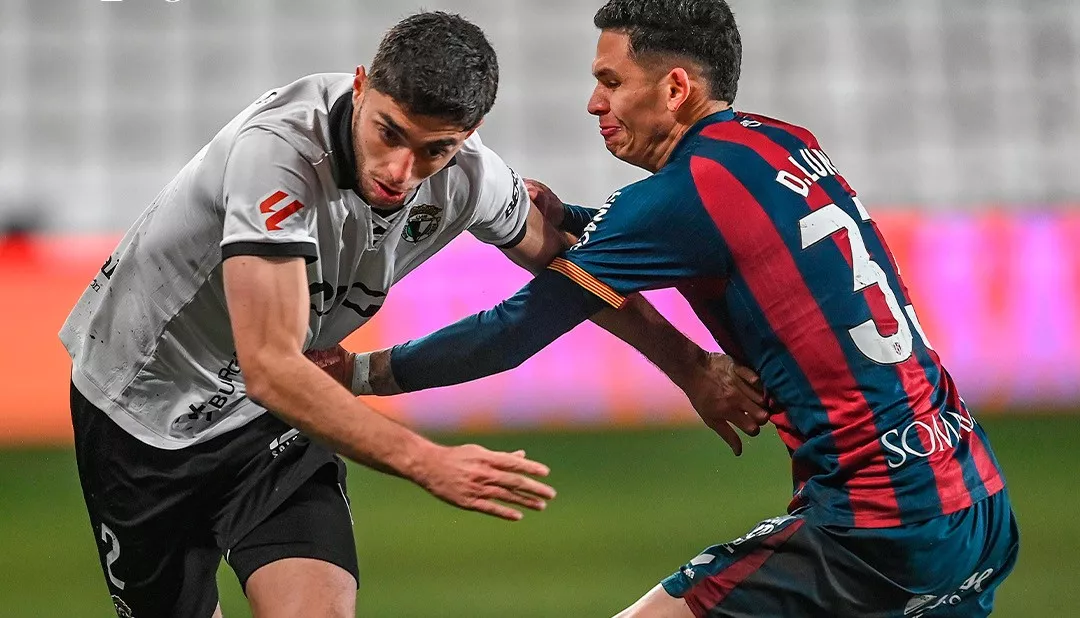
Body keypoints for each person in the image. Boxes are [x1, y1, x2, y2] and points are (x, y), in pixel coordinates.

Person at [59, 11, 766, 618]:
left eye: (435, 149)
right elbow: (269, 365)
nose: (401, 171)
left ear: (470, 133)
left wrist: (690, 366)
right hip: (144, 422)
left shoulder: (469, 176)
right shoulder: (278, 156)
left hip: (275, 422)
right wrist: (428, 462)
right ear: (362, 86)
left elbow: (573, 268)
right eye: (389, 133)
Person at [325, 2, 1019, 616]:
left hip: (878, 523)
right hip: (976, 499)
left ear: (676, 88)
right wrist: (569, 214)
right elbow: (714, 236)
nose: (595, 104)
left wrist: (362, 375)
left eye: (610, 82)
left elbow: (512, 331)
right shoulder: (783, 142)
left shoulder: (681, 193)